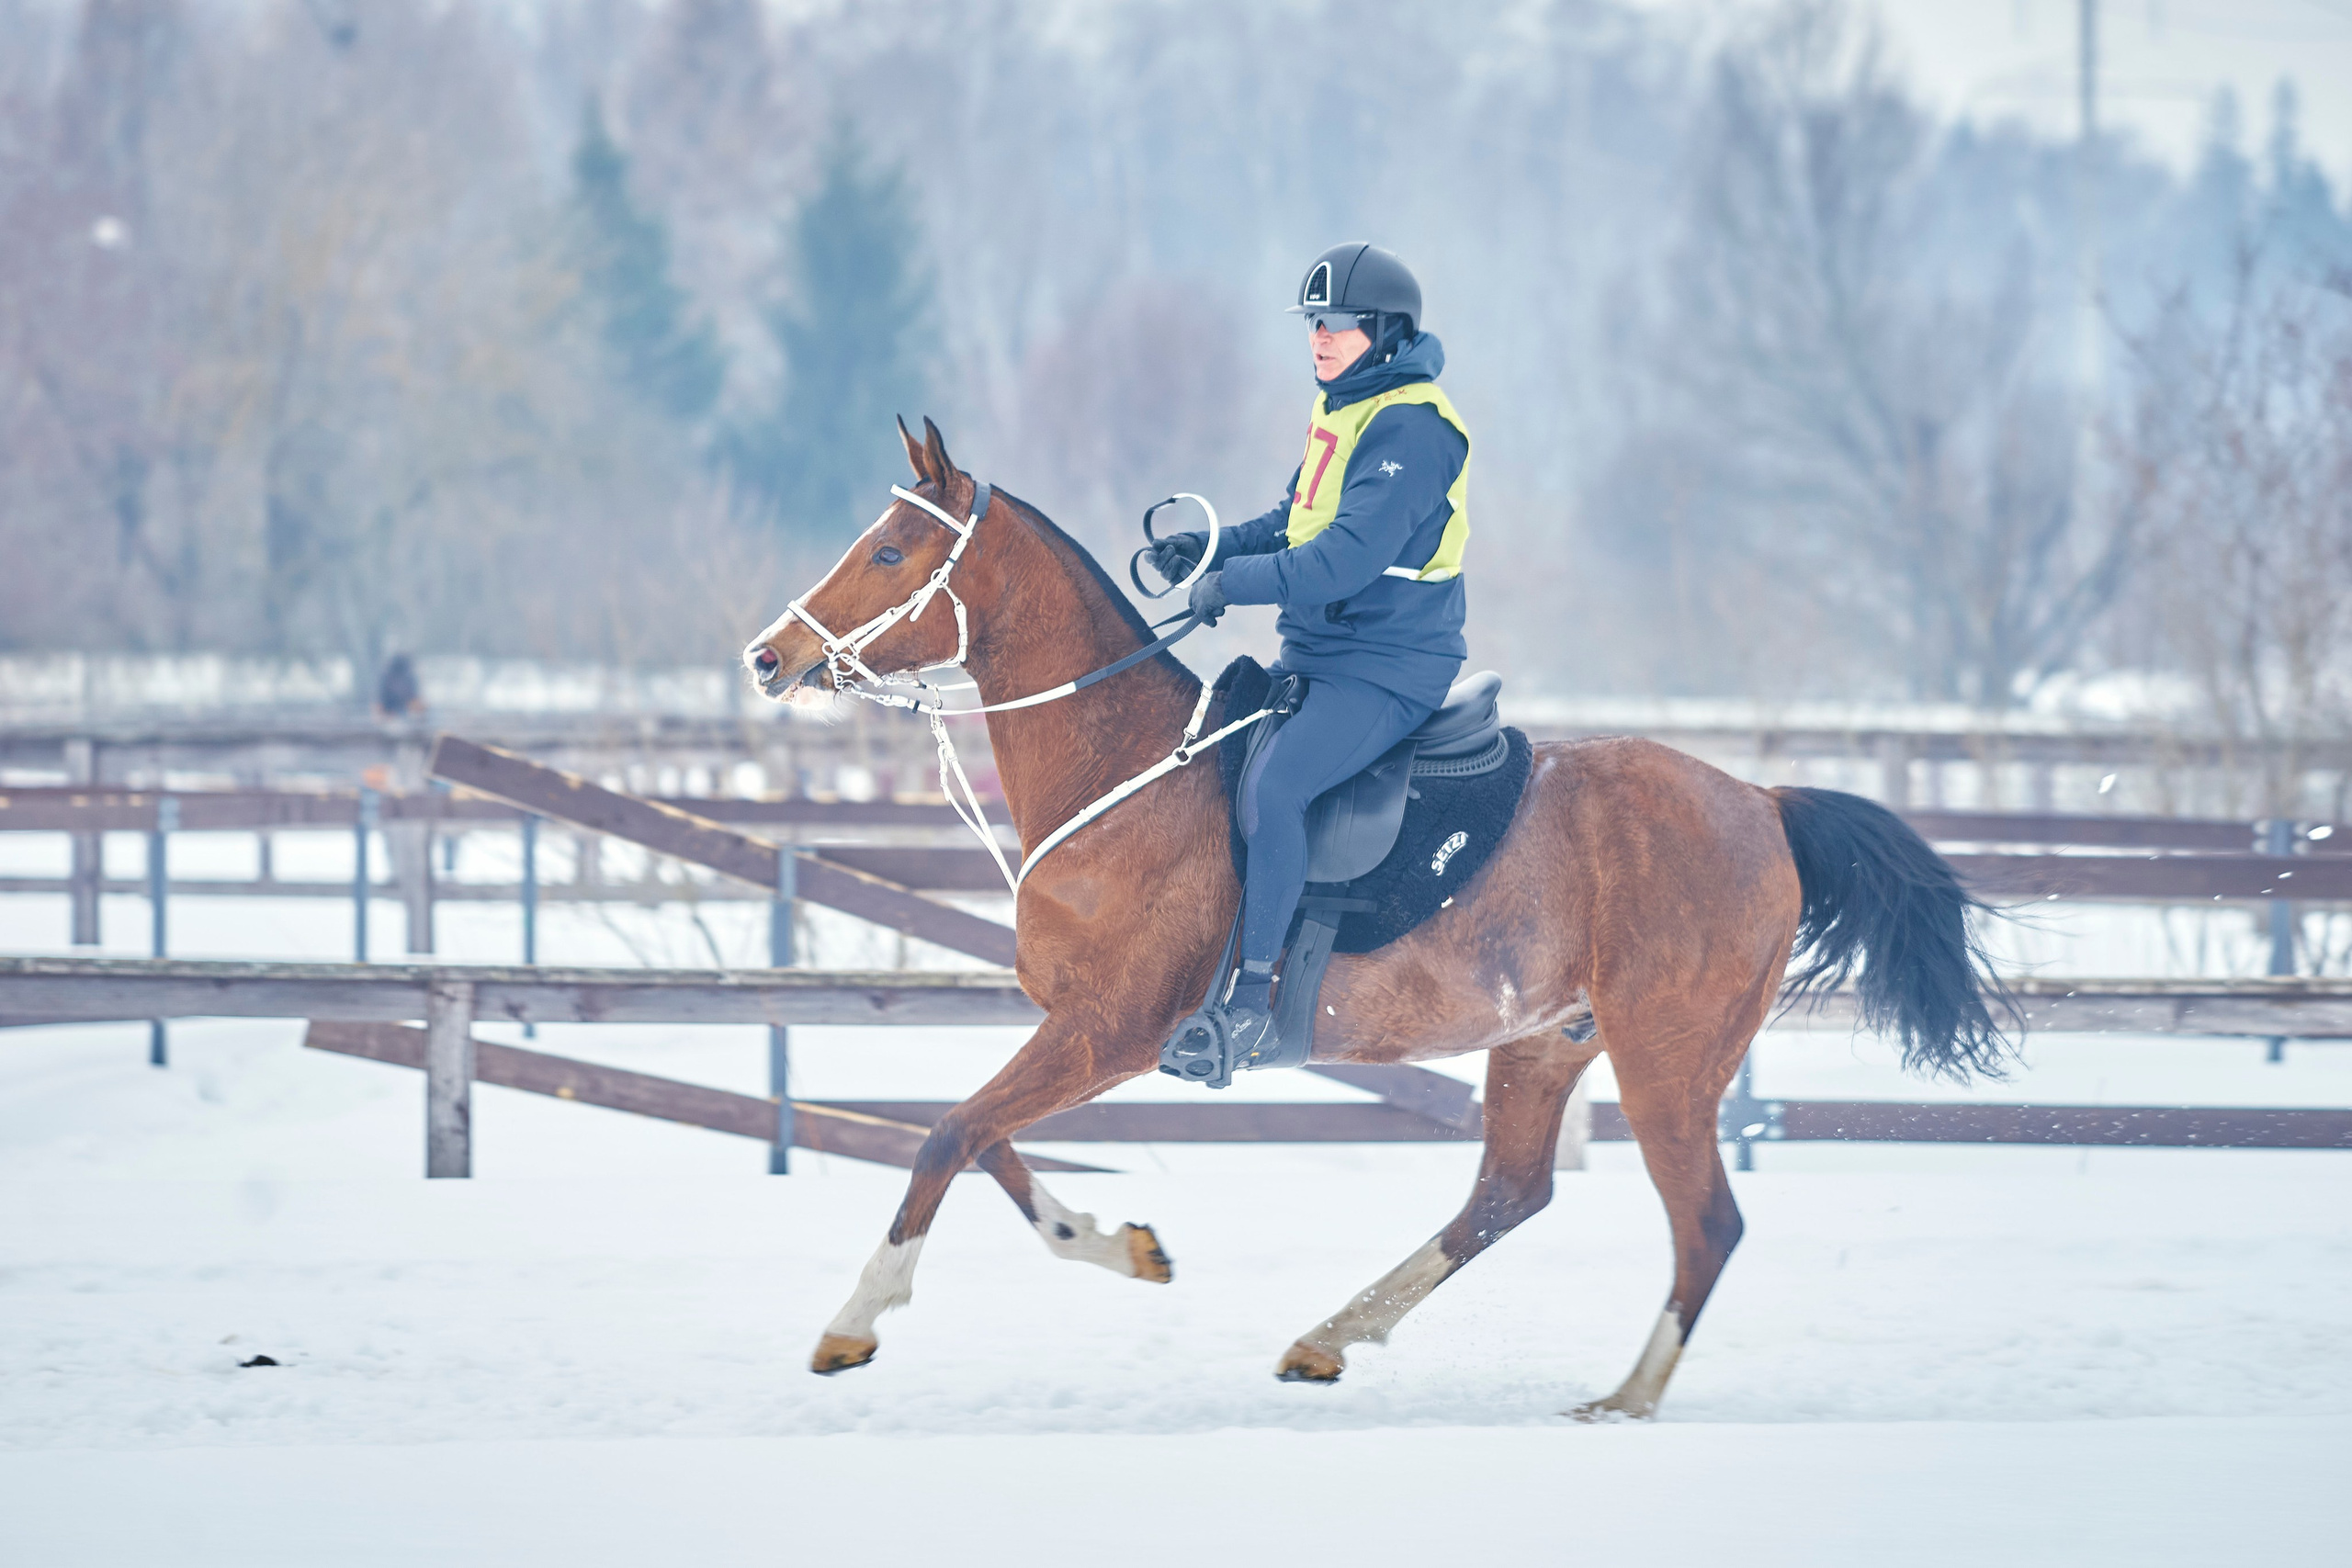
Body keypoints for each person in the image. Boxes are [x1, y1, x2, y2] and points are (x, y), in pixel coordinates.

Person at [1147, 242, 1471, 1064]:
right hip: (1326, 651)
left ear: (1388, 333)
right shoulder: (1348, 408)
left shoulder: (1414, 431)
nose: (1320, 339)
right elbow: (1294, 521)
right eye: (1314, 324)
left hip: (1386, 662)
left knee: (1279, 786)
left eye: (1338, 325)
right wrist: (1210, 549)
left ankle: (1253, 1002)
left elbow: (1343, 562)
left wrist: (1232, 585)